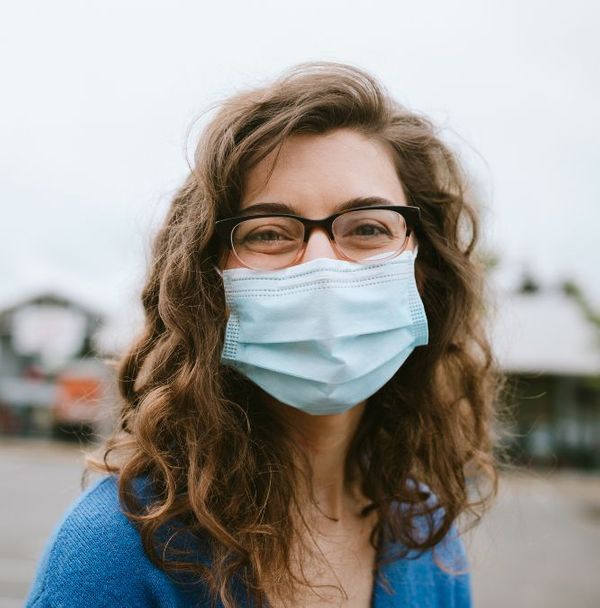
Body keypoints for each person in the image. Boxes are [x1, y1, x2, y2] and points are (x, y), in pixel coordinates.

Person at [26, 62, 500, 608]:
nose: (322, 265)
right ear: (208, 283)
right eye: (269, 233)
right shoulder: (120, 550)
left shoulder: (426, 539)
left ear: (425, 270)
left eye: (368, 227)